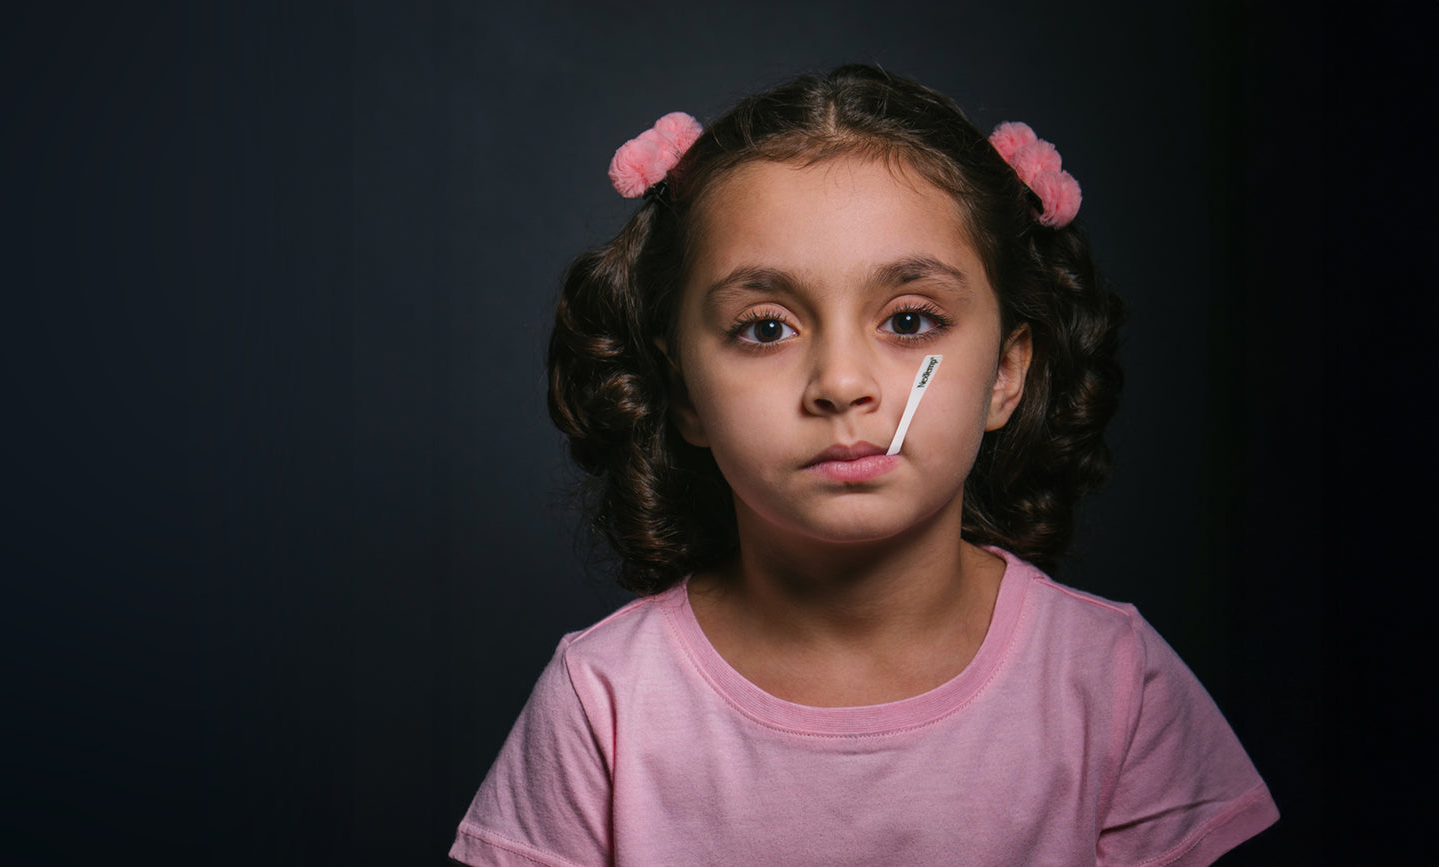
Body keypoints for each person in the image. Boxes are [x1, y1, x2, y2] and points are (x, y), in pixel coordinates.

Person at [450, 64, 1276, 867]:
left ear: (1006, 373)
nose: (841, 384)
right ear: (685, 393)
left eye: (911, 319)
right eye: (766, 328)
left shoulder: (1115, 685)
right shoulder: (604, 702)